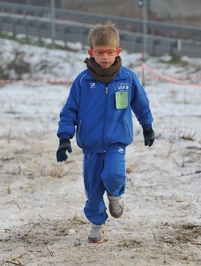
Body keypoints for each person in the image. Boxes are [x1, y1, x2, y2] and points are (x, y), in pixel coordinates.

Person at [56, 21, 155, 243]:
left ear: (117, 52)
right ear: (91, 53)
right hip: (91, 145)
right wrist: (64, 138)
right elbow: (69, 110)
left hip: (116, 141)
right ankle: (97, 225)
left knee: (114, 175)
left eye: (110, 52)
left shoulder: (127, 78)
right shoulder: (82, 81)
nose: (105, 57)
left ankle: (115, 194)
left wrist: (147, 127)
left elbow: (141, 104)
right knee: (92, 191)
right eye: (100, 52)